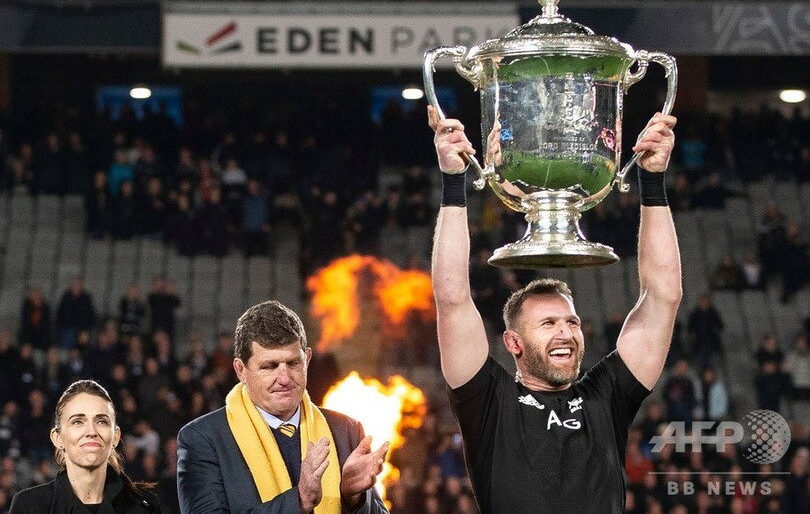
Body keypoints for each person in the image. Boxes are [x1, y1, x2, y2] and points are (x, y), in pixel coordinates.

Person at [428, 105, 681, 513]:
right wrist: (453, 181)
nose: (566, 332)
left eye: (571, 321)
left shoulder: (605, 398)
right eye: (548, 323)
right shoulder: (490, 403)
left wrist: (652, 181)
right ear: (513, 342)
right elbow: (452, 297)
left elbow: (663, 295)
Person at [176, 300, 390, 513]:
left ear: (307, 359)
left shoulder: (347, 431)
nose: (284, 379)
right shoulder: (203, 439)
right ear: (241, 370)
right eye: (269, 366)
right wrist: (299, 501)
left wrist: (354, 499)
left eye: (293, 363)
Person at [9, 379, 161, 513]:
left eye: (101, 421)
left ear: (115, 437)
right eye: (77, 422)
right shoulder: (30, 506)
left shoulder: (144, 506)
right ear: (58, 438)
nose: (91, 432)